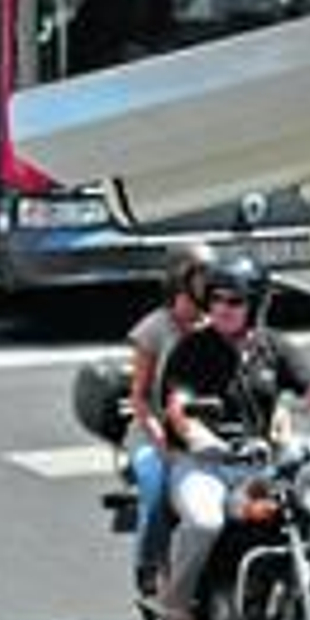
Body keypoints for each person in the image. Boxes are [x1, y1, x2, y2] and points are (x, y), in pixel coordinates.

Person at [154, 251, 310, 620]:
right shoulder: (192, 348)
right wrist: (199, 437)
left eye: (235, 300)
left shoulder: (273, 347)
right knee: (205, 522)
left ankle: (306, 592)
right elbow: (177, 403)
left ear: (255, 303)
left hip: (262, 460)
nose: (223, 308)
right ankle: (176, 609)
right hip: (205, 463)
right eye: (217, 299)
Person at [124, 243, 211, 596]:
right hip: (154, 432)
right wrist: (162, 443)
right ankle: (150, 560)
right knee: (158, 485)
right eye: (200, 278)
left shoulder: (220, 324)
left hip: (206, 432)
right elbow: (140, 398)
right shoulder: (155, 329)